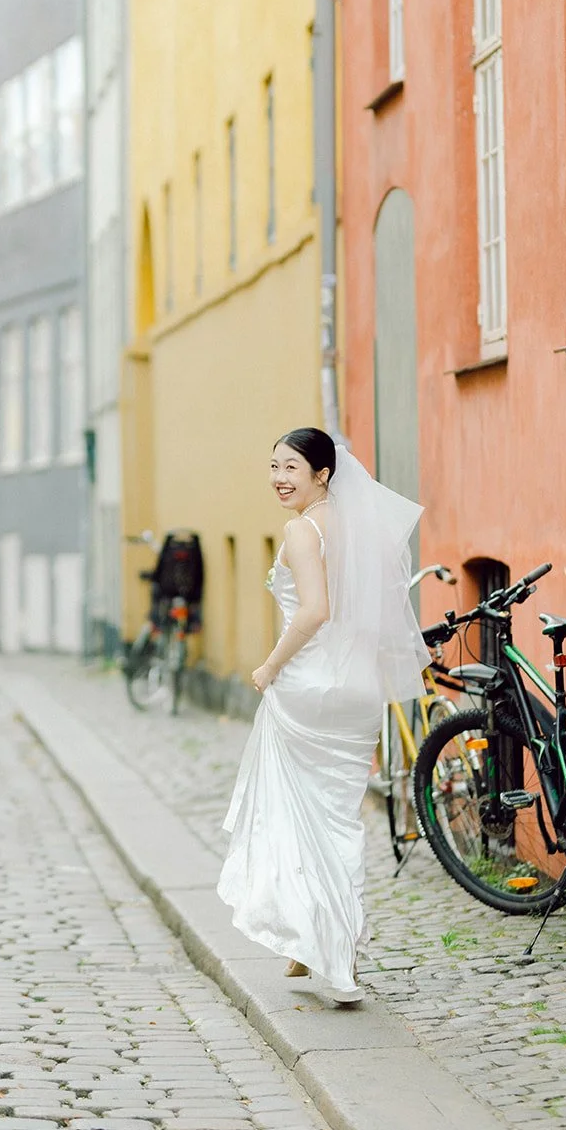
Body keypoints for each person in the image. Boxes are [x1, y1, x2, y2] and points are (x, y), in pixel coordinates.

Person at [217, 426, 429, 1004]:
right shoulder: (360, 528)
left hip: (310, 688)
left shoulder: (302, 530)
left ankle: (332, 960)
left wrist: (269, 667)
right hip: (358, 690)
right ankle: (313, 944)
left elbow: (313, 612)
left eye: (291, 467)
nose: (279, 478)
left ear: (322, 474)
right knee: (337, 820)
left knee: (296, 817)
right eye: (274, 466)